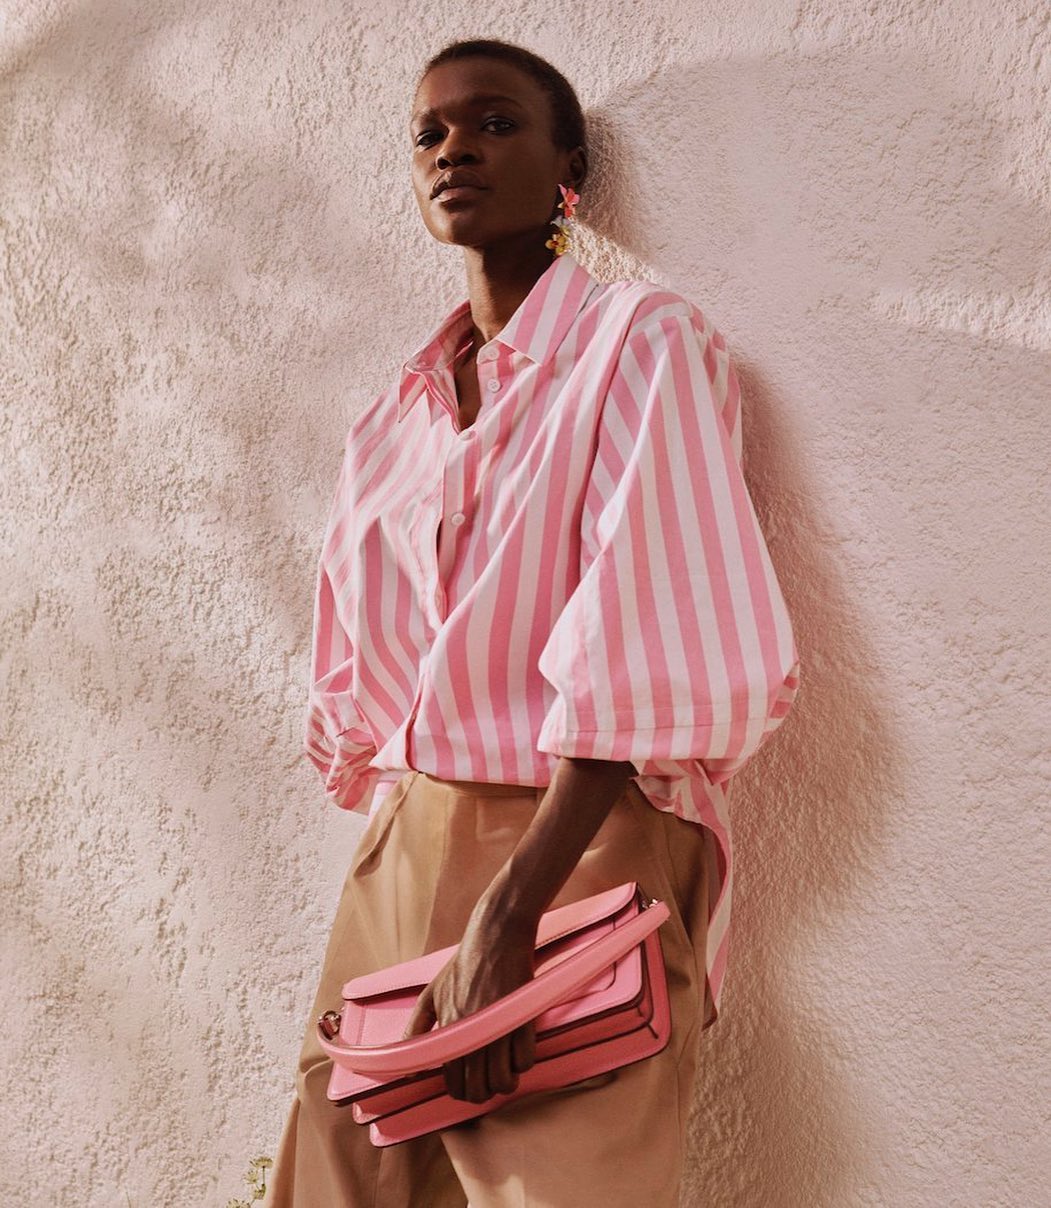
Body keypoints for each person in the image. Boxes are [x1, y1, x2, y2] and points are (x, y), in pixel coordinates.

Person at [266, 36, 801, 1208]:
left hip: (583, 832)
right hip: (406, 834)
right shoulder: (392, 415)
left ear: (569, 170)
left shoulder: (639, 342)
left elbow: (650, 622)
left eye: (495, 122)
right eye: (430, 133)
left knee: (560, 1185)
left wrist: (513, 905)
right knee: (341, 1188)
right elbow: (364, 666)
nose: (454, 148)